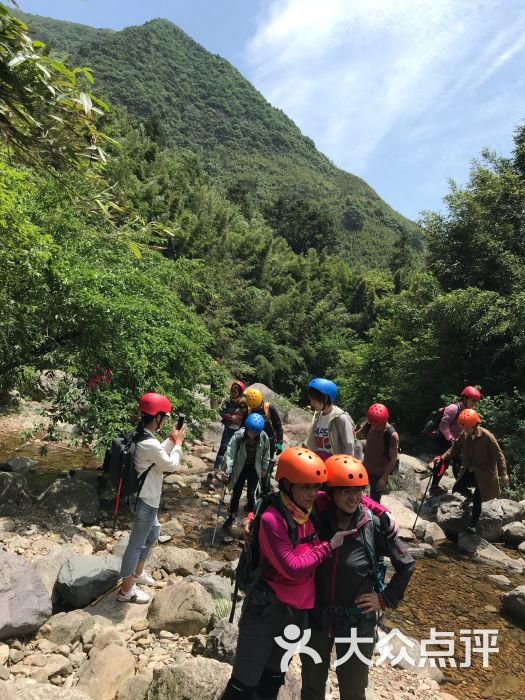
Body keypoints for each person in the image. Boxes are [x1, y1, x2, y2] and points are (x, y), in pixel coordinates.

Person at [221, 448, 396, 700]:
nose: (313, 493)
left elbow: (348, 491)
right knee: (244, 682)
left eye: (316, 486)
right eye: (306, 487)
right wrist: (329, 545)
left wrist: (382, 511)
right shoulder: (273, 518)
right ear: (287, 485)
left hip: (297, 613)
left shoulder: (311, 505)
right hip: (266, 608)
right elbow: (292, 568)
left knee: (273, 677)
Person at [301, 454, 415, 700]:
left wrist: (385, 599)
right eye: (345, 491)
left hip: (357, 623)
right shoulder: (316, 520)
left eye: (359, 490)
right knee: (311, 687)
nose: (353, 497)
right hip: (317, 618)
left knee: (352, 691)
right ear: (331, 492)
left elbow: (406, 564)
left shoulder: (373, 526)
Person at [117, 392, 186, 603]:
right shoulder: (148, 442)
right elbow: (170, 464)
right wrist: (179, 444)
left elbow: (157, 456)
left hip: (147, 497)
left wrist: (172, 438)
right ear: (157, 417)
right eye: (164, 415)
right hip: (145, 499)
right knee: (135, 544)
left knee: (154, 532)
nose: (165, 419)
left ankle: (137, 574)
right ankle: (126, 591)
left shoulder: (143, 435)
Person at [437, 409, 509, 533]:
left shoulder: (487, 436)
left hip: (485, 473)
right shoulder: (464, 434)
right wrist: (443, 457)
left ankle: (473, 524)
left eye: (467, 428)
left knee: (478, 498)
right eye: (463, 428)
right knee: (458, 486)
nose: (465, 430)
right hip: (470, 470)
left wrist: (503, 473)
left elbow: (499, 455)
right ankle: (469, 496)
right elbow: (455, 448)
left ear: (475, 425)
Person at [221, 412, 270, 530]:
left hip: (254, 467)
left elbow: (266, 453)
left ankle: (250, 516)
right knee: (236, 492)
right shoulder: (238, 436)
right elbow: (230, 453)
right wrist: (227, 469)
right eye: (251, 431)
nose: (253, 434)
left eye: (255, 432)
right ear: (247, 428)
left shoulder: (263, 436)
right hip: (240, 467)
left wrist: (264, 468)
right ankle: (231, 516)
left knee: (251, 493)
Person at [430, 385, 481, 495]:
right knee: (444, 462)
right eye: (472, 400)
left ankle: (461, 487)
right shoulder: (453, 408)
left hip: (455, 440)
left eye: (475, 401)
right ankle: (434, 487)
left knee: (459, 463)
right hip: (444, 438)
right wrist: (451, 439)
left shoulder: (467, 411)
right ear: (465, 398)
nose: (474, 403)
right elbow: (443, 425)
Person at [356, 403, 399, 503]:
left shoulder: (391, 435)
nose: (374, 426)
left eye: (378, 425)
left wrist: (384, 478)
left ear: (385, 420)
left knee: (374, 502)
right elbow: (356, 435)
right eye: (372, 423)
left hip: (379, 474)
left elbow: (393, 458)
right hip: (364, 469)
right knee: (355, 495)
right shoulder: (369, 425)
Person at [306, 378, 356, 460]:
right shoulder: (317, 415)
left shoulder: (341, 418)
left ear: (325, 398)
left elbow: (349, 446)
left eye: (314, 400)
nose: (311, 403)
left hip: (334, 464)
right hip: (317, 462)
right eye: (311, 400)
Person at [244, 387, 284, 487]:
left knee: (267, 465)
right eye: (253, 408)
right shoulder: (249, 410)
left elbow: (278, 425)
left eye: (256, 408)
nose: (255, 410)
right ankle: (254, 486)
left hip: (270, 442)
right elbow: (244, 426)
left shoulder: (268, 408)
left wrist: (279, 443)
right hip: (254, 442)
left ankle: (265, 487)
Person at [213, 381, 246, 471]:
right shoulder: (228, 401)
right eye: (233, 390)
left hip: (239, 429)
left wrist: (237, 417)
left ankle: (229, 470)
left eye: (236, 391)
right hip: (228, 428)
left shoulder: (244, 402)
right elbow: (221, 411)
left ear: (240, 392)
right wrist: (226, 416)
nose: (233, 392)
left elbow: (247, 415)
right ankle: (216, 468)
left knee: (235, 450)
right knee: (223, 448)